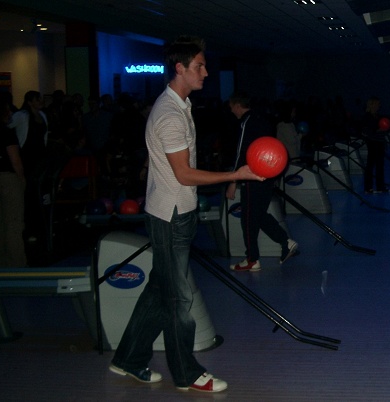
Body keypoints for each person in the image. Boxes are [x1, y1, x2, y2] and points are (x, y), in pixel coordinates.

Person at [109, 35, 263, 393]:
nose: (206, 72)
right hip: (171, 216)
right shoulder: (168, 115)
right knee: (179, 299)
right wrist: (235, 174)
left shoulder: (178, 105)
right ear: (179, 68)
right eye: (199, 66)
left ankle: (128, 359)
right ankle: (186, 372)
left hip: (173, 210)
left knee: (159, 291)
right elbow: (184, 174)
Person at [226, 91, 299, 272]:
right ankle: (286, 242)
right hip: (268, 174)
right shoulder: (263, 120)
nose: (230, 110)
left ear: (237, 105)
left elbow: (241, 151)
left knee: (248, 218)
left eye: (231, 106)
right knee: (257, 215)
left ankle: (252, 259)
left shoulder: (246, 122)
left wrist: (233, 180)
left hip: (253, 176)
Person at [8, 90, 49, 243]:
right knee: (29, 195)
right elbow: (7, 126)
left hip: (40, 160)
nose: (40, 101)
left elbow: (44, 138)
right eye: (37, 99)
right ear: (30, 101)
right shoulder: (21, 116)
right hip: (27, 159)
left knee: (40, 195)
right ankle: (29, 229)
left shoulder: (43, 116)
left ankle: (40, 229)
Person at [0, 95, 26, 267]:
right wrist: (22, 180)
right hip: (8, 178)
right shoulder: (6, 131)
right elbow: (15, 161)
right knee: (13, 223)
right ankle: (17, 265)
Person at [362, 96, 390, 194]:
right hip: (372, 143)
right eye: (378, 104)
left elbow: (383, 128)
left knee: (380, 165)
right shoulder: (367, 117)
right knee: (371, 165)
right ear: (372, 105)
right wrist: (378, 130)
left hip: (380, 143)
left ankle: (380, 187)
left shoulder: (378, 116)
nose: (379, 106)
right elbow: (367, 131)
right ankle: (368, 187)